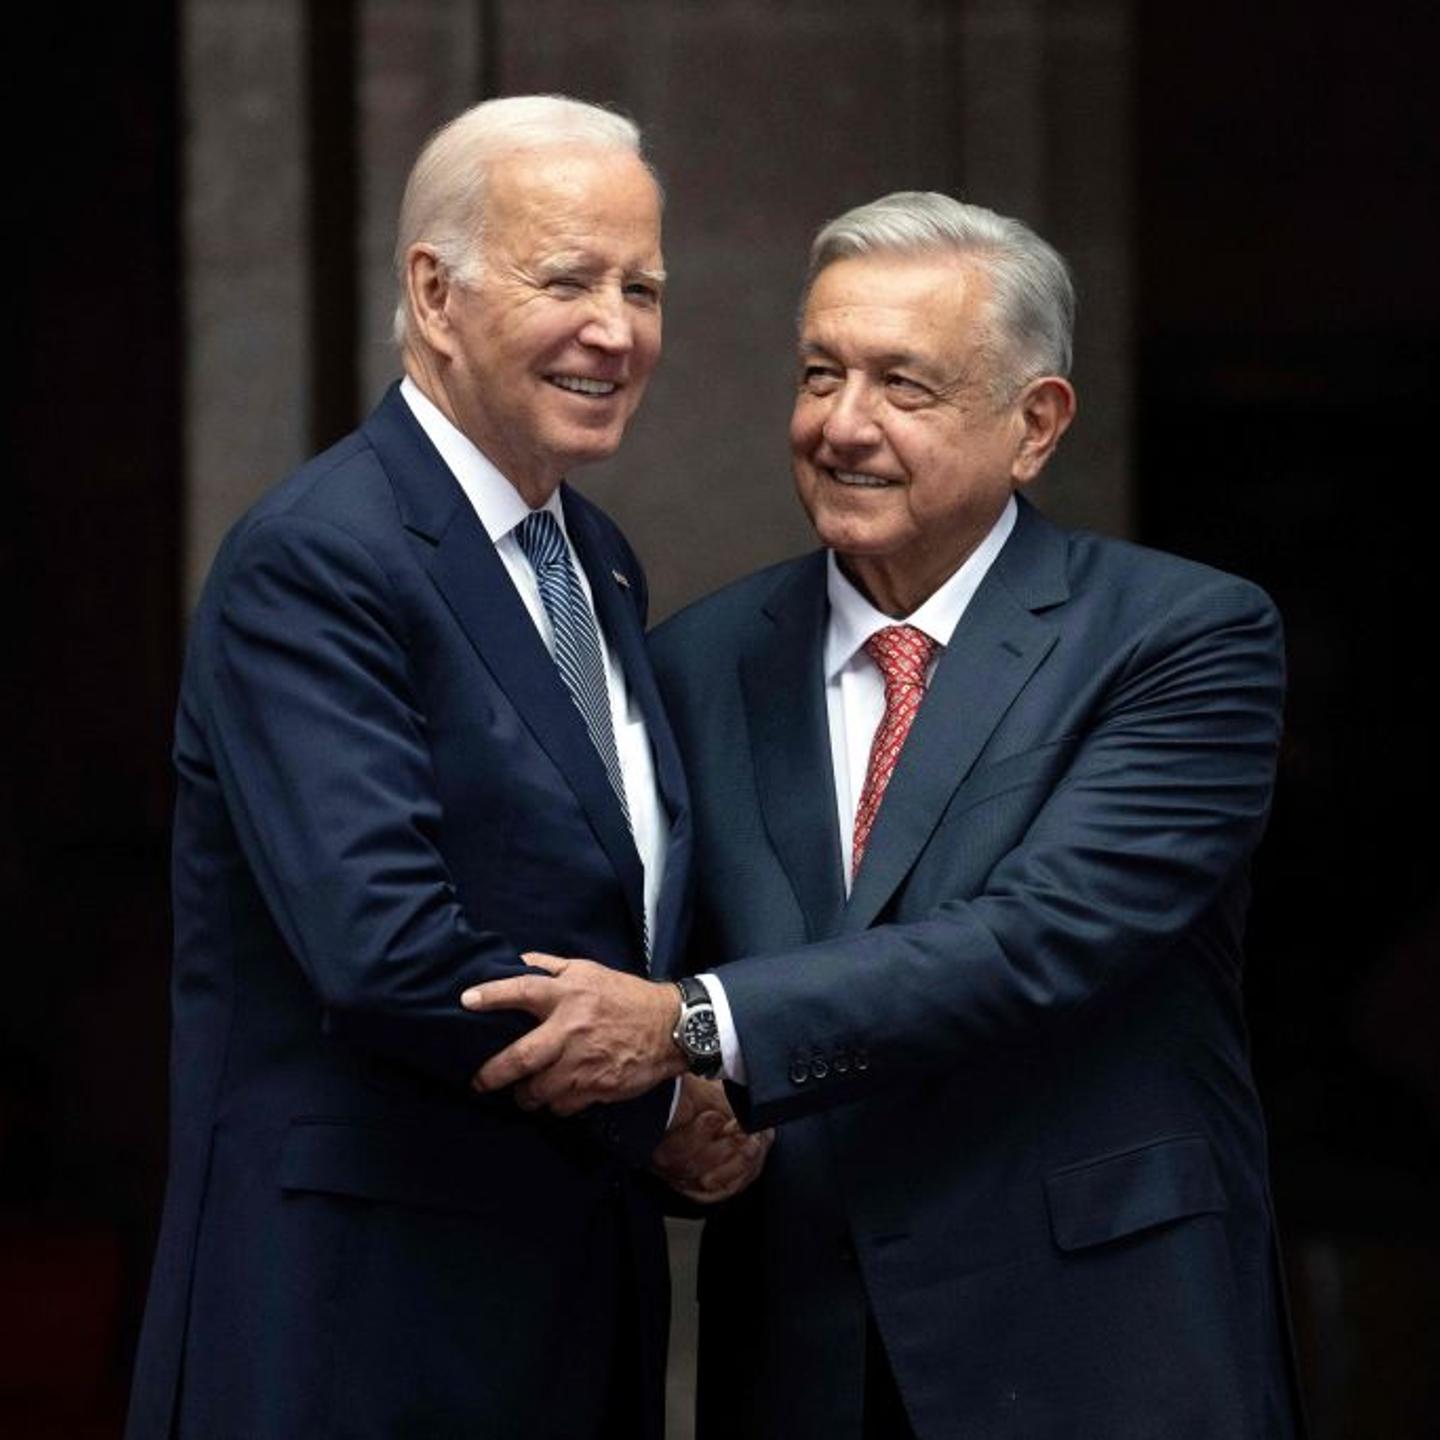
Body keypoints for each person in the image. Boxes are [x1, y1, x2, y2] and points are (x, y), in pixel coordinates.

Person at [466, 192, 1303, 1437]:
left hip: (1095, 1345)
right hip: (800, 1354)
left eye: (904, 385)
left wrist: (691, 1026)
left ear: (1035, 424)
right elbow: (639, 970)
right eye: (821, 374)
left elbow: (1041, 936)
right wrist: (666, 1125)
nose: (843, 424)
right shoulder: (692, 664)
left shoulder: (1181, 639)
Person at [124, 94, 749, 1440]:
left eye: (642, 288)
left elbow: (607, 905)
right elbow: (388, 949)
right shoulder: (321, 555)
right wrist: (661, 1096)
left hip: (565, 1315)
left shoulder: (597, 559)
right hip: (365, 1323)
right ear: (434, 293)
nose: (616, 329)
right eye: (567, 280)